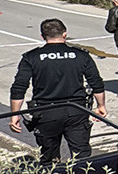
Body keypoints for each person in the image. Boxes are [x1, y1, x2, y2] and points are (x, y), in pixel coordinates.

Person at [9, 19, 107, 163]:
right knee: (82, 156)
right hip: (76, 111)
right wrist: (101, 106)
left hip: (46, 113)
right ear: (65, 34)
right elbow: (96, 83)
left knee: (49, 157)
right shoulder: (81, 55)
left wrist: (15, 115)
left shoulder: (31, 57)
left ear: (42, 36)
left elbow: (19, 87)